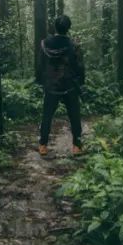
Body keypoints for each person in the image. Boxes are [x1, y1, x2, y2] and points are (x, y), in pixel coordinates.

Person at [37, 14, 85, 156]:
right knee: (74, 115)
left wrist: (42, 81)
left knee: (47, 115)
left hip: (51, 85)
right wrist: (81, 83)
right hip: (70, 85)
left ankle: (43, 145)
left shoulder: (44, 44)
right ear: (68, 28)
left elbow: (40, 65)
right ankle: (77, 146)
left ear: (55, 27)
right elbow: (80, 66)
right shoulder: (73, 45)